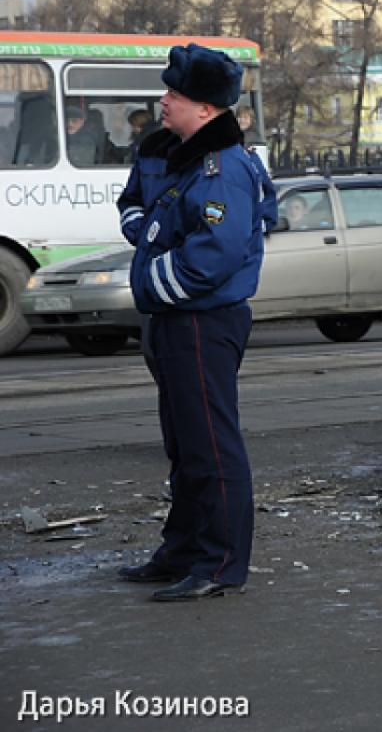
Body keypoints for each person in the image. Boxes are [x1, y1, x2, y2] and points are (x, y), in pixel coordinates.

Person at [114, 43, 277, 602]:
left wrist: (154, 283)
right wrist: (150, 245)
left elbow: (214, 255)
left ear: (205, 108)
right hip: (175, 321)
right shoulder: (175, 151)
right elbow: (137, 205)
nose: (163, 101)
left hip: (203, 321)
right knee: (184, 446)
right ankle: (183, 550)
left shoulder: (224, 167)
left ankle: (221, 563)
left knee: (212, 446)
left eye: (175, 95)